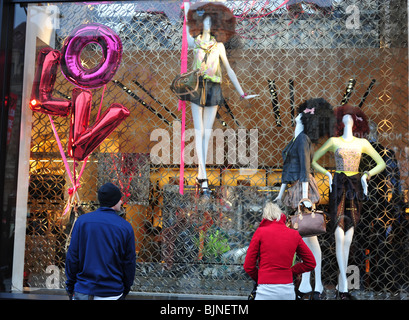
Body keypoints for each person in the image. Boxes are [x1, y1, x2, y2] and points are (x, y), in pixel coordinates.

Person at [312, 104, 386, 299]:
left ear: (356, 123)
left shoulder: (362, 144)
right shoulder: (334, 141)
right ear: (340, 122)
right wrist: (327, 174)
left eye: (351, 117)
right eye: (345, 117)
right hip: (338, 185)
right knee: (339, 235)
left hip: (355, 186)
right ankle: (343, 288)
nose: (348, 119)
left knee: (349, 236)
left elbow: (381, 163)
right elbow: (314, 160)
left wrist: (366, 175)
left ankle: (341, 287)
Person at [184, 2, 257, 196]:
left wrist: (242, 92)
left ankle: (202, 176)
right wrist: (185, 8)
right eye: (204, 21)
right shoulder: (195, 42)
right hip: (197, 86)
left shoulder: (219, 46)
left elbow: (229, 70)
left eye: (211, 21)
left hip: (214, 87)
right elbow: (186, 27)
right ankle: (204, 177)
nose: (208, 24)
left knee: (206, 134)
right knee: (199, 132)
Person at [276, 98, 334, 300]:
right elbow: (287, 170)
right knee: (306, 241)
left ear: (305, 119)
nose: (296, 116)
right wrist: (281, 193)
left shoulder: (302, 140)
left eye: (300, 114)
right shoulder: (297, 138)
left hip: (304, 190)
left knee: (310, 238)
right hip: (299, 190)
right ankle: (309, 285)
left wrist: (303, 198)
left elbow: (304, 170)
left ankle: (315, 284)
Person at [65, 182, 136, 300]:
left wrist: (71, 285)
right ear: (114, 201)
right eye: (120, 199)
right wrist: (126, 288)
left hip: (84, 290)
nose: (121, 202)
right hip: (112, 292)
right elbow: (129, 262)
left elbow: (72, 257)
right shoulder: (125, 227)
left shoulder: (82, 222)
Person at [243, 202, 316, 300]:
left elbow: (248, 266)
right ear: (281, 216)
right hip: (287, 290)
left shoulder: (260, 232)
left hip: (264, 290)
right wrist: (290, 271)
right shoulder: (294, 234)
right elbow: (311, 263)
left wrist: (262, 276)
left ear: (265, 217)